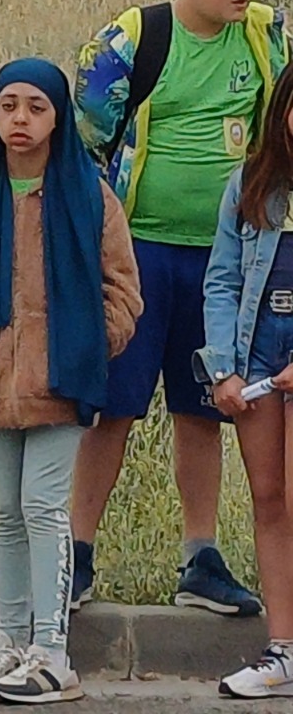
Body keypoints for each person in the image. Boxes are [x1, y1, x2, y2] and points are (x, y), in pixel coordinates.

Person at [72, 0, 284, 614]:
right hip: (137, 255)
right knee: (114, 408)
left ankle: (201, 558)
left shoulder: (267, 38)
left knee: (206, 408)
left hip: (230, 266)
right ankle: (75, 554)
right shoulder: (133, 40)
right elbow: (86, 139)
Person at [0, 59, 141, 704]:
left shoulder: (88, 194)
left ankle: (53, 651)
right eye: (9, 105)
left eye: (36, 107)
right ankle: (11, 639)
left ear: (57, 117)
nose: (21, 119)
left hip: (62, 383)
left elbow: (123, 291)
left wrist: (84, 347)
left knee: (43, 508)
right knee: (6, 512)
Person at [199, 66, 293, 697]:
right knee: (269, 500)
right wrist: (223, 368)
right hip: (257, 360)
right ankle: (282, 649)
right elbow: (223, 279)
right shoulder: (251, 182)